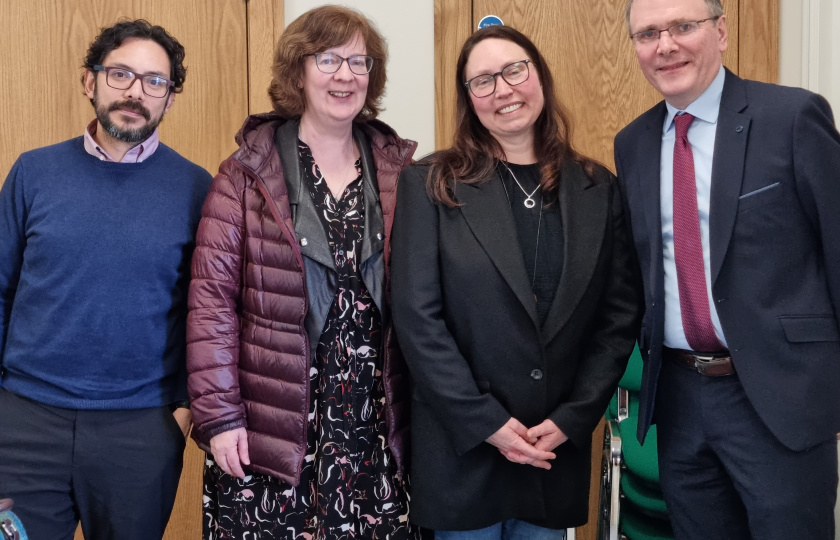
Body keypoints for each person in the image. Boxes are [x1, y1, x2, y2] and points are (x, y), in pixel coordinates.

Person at [390, 25, 640, 538]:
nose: (502, 89)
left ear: (539, 78)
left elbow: (617, 319)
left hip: (552, 452)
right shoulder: (431, 183)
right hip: (464, 449)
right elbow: (418, 320)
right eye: (482, 81)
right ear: (468, 100)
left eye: (513, 70)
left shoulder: (599, 189)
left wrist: (573, 418)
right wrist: (485, 423)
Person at [186, 6, 422, 539]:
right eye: (329, 59)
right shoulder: (246, 173)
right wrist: (220, 418)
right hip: (272, 425)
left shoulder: (400, 171)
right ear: (298, 71)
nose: (345, 75)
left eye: (359, 62)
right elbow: (212, 304)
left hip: (371, 425)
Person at [614, 0, 840, 538]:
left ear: (720, 31)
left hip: (779, 395)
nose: (665, 45)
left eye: (683, 27)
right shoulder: (633, 143)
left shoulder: (792, 117)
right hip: (681, 400)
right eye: (648, 34)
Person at [0, 19, 211, 540]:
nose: (135, 92)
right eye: (120, 74)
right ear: (89, 81)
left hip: (140, 429)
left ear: (170, 99)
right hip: (26, 422)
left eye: (154, 81)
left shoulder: (197, 188)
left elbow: (207, 310)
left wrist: (184, 409)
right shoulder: (33, 172)